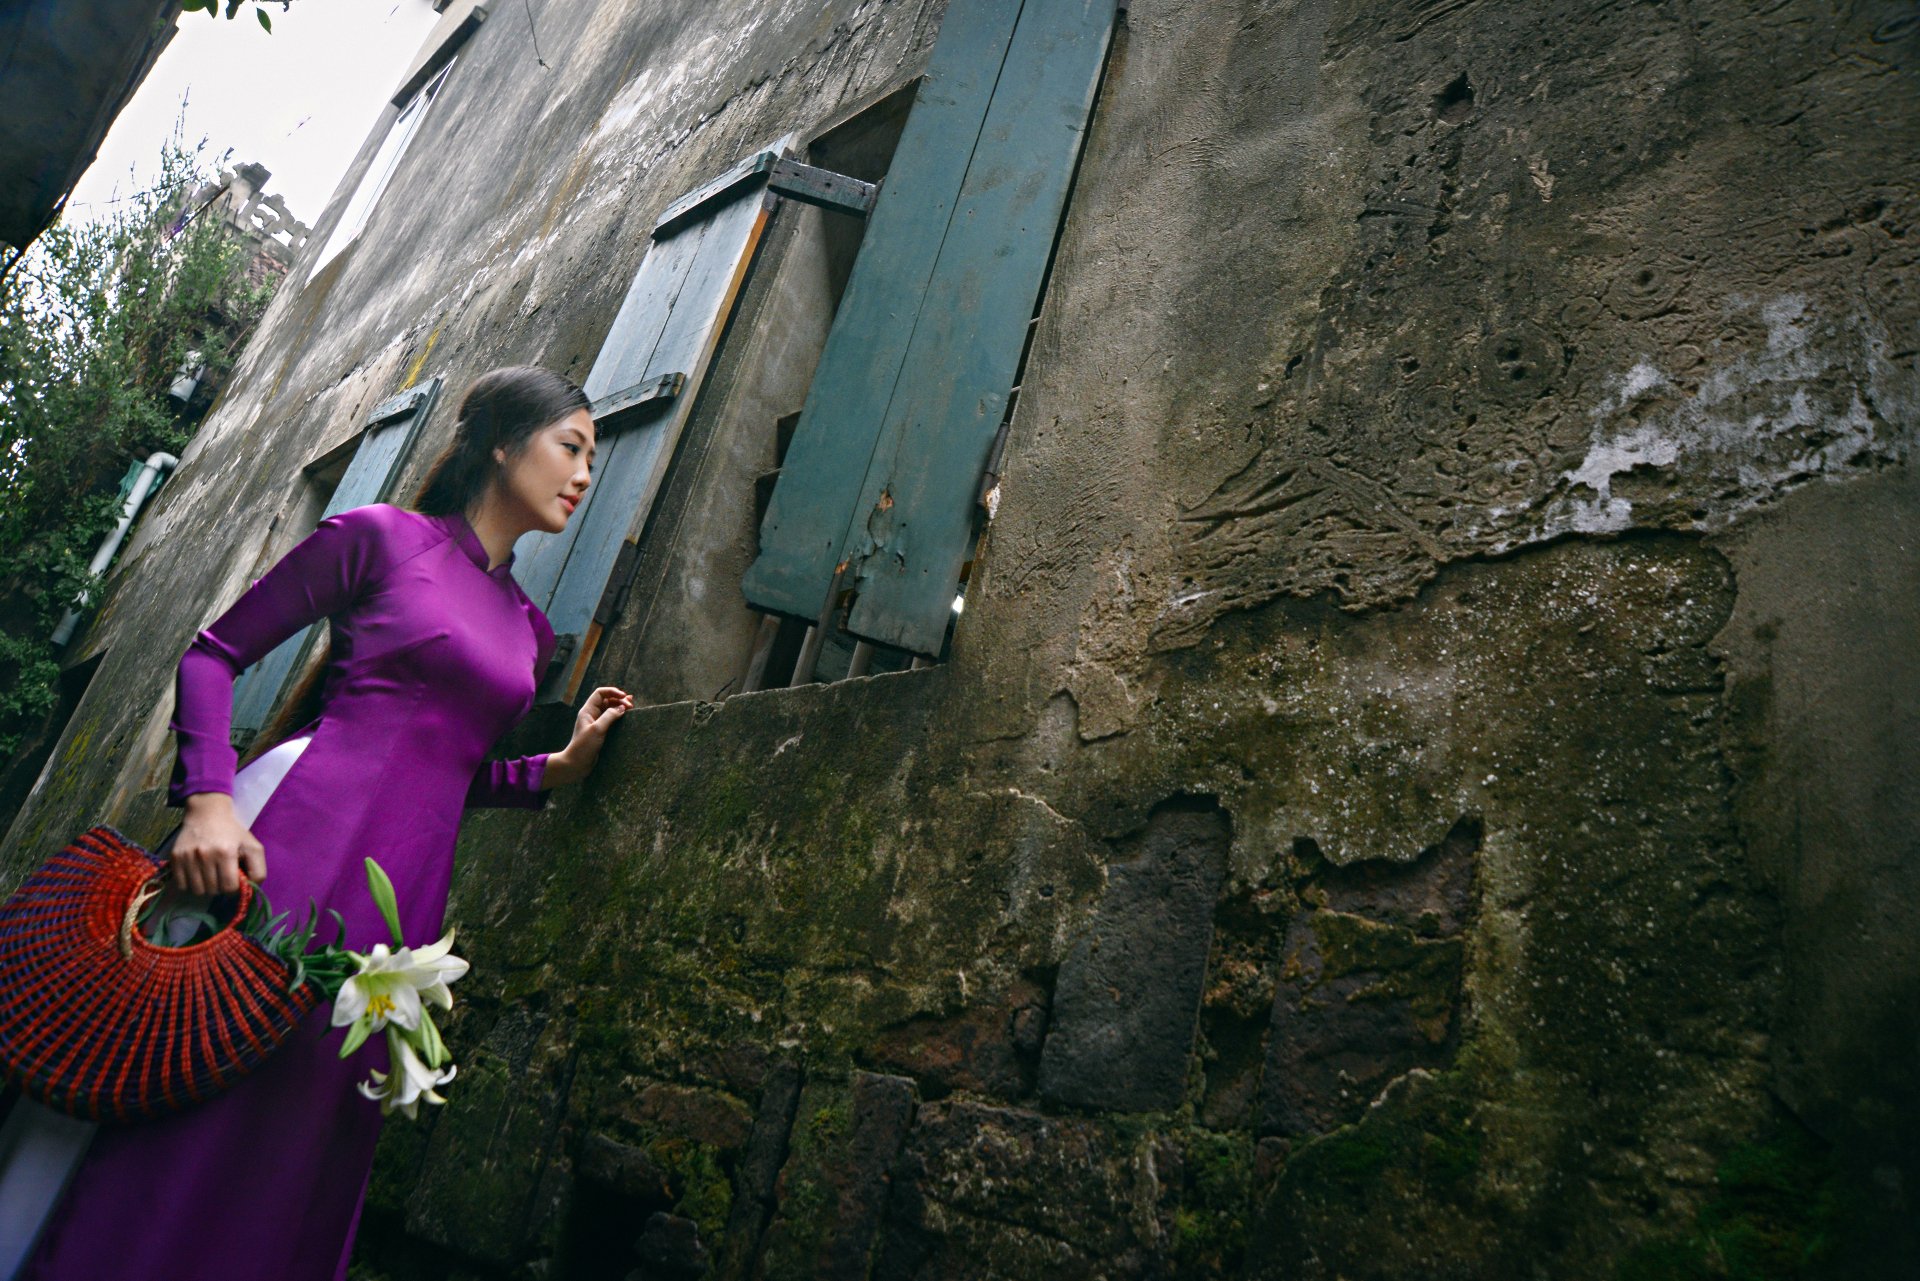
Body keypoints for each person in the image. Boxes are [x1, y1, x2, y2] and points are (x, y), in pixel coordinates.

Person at [11, 365, 634, 1280]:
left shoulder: (529, 632)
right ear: (504, 443)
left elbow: (448, 772)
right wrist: (209, 799)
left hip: (400, 908)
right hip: (289, 841)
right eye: (571, 447)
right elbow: (214, 655)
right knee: (198, 1062)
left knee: (303, 1126)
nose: (584, 475)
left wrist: (557, 768)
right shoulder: (381, 538)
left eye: (592, 459)